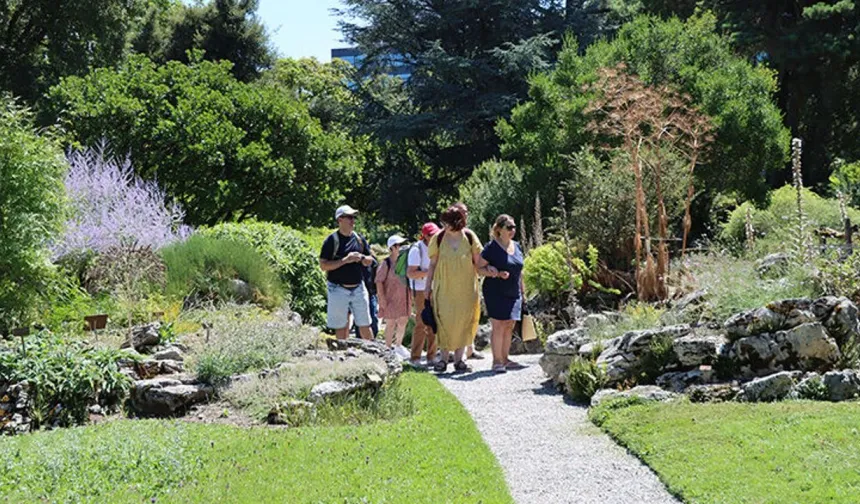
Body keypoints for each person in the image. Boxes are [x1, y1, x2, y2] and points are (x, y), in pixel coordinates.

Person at [425, 203, 489, 373]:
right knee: (444, 321)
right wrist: (427, 288)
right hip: (444, 287)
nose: (444, 226)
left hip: (467, 288)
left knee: (464, 321)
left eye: (447, 223)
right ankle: (444, 359)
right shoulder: (438, 238)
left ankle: (460, 360)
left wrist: (492, 269)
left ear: (457, 222)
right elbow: (432, 265)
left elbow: (479, 261)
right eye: (443, 223)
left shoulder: (469, 236)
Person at [477, 214, 525, 373]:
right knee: (498, 325)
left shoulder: (517, 246)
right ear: (499, 230)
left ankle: (505, 359)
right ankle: (496, 361)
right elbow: (478, 268)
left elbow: (520, 271)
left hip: (514, 291)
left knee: (509, 324)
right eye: (509, 227)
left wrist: (523, 292)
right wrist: (495, 273)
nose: (513, 230)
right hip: (495, 291)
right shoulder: (491, 247)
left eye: (514, 227)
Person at [319, 205, 374, 340]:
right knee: (341, 326)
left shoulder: (359, 239)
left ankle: (376, 356)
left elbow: (370, 259)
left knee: (365, 324)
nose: (352, 220)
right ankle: (343, 356)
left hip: (358, 288)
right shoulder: (331, 241)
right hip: (337, 288)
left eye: (353, 217)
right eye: (349, 217)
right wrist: (345, 260)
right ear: (340, 220)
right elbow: (323, 265)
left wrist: (361, 258)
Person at [407, 222, 440, 366]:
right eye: (431, 235)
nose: (434, 237)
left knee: (435, 323)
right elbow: (410, 273)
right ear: (425, 236)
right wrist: (429, 273)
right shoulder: (416, 249)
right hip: (420, 290)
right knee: (421, 323)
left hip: (436, 289)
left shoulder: (438, 247)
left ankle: (431, 356)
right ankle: (415, 357)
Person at [376, 235, 412, 359]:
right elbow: (379, 281)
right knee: (390, 323)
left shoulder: (405, 262)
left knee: (403, 321)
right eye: (398, 245)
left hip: (404, 296)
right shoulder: (386, 263)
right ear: (392, 248)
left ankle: (398, 345)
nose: (401, 247)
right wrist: (382, 299)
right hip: (390, 297)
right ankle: (387, 348)